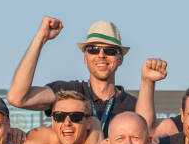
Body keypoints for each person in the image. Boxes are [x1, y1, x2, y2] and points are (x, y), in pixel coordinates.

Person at [7, 17, 137, 129]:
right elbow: (17, 98)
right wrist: (41, 38)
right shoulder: (67, 92)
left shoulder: (135, 106)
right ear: (85, 57)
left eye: (110, 51)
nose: (101, 55)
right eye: (93, 50)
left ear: (120, 59)